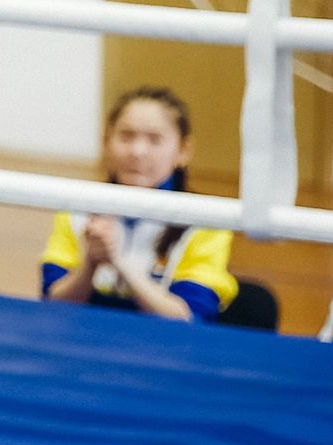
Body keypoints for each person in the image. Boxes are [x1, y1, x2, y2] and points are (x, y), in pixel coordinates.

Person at [42, 87, 238, 324]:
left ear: (183, 151)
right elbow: (51, 304)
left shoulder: (206, 222)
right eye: (126, 136)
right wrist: (89, 265)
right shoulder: (77, 209)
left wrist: (121, 262)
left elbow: (190, 319)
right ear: (106, 141)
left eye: (155, 140)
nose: (137, 151)